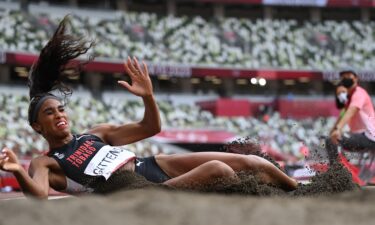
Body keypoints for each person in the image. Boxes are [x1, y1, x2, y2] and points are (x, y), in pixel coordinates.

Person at [0, 17, 297, 199]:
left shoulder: (94, 134)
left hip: (149, 165)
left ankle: (300, 190)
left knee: (252, 164)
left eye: (60, 109)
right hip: (136, 191)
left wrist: (148, 97)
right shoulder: (46, 162)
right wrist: (17, 171)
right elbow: (39, 194)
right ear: (37, 126)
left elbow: (151, 128)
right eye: (49, 113)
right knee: (219, 170)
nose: (59, 115)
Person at [326, 71, 375, 163]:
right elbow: (342, 116)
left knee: (332, 140)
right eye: (343, 77)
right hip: (361, 136)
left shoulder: (359, 93)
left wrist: (338, 129)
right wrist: (333, 131)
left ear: (356, 78)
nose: (346, 78)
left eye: (348, 76)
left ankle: (336, 172)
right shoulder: (348, 100)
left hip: (370, 137)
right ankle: (340, 169)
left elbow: (351, 111)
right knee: (331, 139)